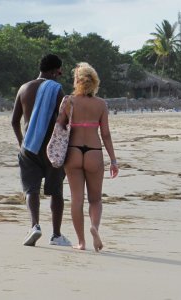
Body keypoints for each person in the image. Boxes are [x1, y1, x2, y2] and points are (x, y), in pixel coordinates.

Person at [56, 62, 119, 251]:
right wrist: (113, 160)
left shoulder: (69, 101)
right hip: (94, 152)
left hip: (73, 152)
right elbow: (106, 134)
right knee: (95, 199)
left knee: (77, 199)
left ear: (77, 81)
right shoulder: (101, 104)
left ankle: (81, 242)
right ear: (94, 82)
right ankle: (94, 227)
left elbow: (59, 125)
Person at [11, 54, 71, 247]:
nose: (60, 75)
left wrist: (22, 144)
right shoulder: (56, 89)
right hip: (51, 149)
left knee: (31, 189)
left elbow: (14, 122)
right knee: (56, 192)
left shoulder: (24, 88)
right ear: (54, 71)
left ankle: (35, 226)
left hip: (29, 147)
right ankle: (56, 235)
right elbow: (66, 119)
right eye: (60, 71)